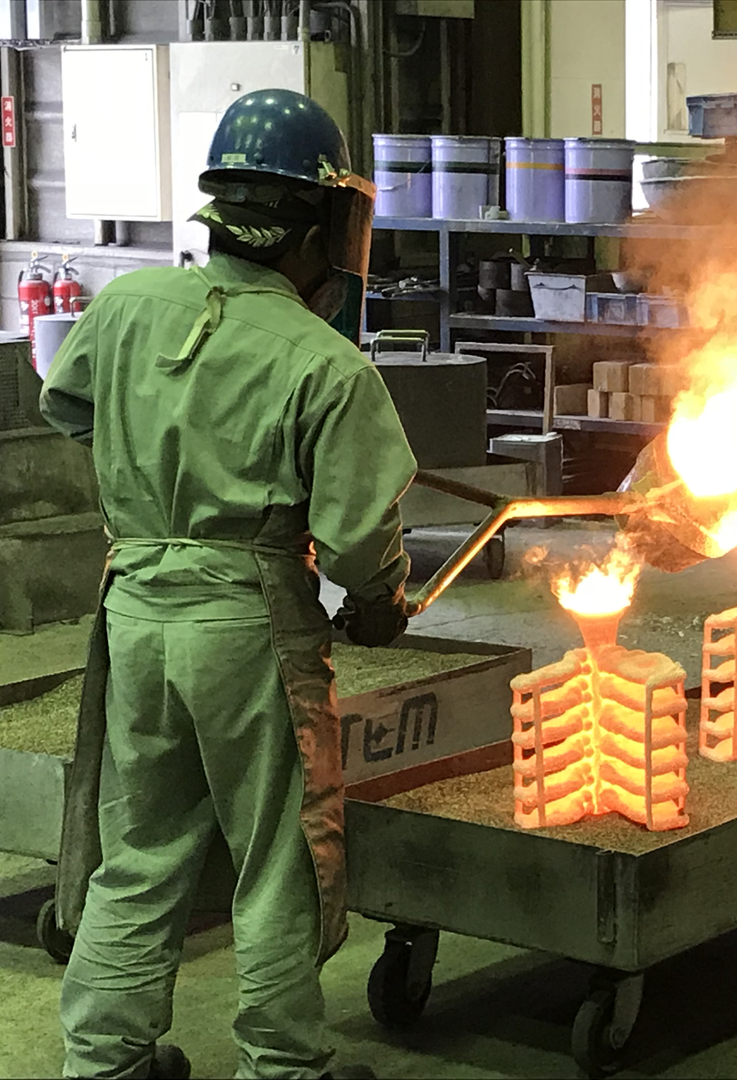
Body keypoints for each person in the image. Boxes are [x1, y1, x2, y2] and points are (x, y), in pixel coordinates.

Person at [39, 90, 416, 1078]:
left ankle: (104, 1061)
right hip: (247, 623)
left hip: (135, 610)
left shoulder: (126, 305)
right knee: (278, 860)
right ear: (320, 228)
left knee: (140, 850)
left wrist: (161, 463)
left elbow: (67, 403)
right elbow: (355, 546)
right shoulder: (328, 364)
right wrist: (380, 600)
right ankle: (283, 1067)